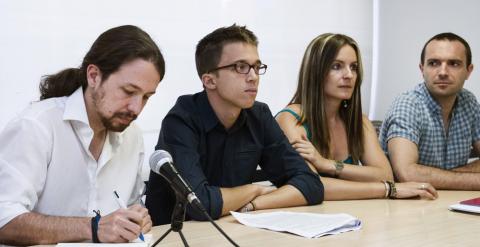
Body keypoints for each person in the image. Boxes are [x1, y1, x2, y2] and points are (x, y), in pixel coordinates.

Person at [0, 25, 165, 245]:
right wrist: (93, 227)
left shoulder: (132, 135)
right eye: (128, 91)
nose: (136, 108)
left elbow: (130, 205)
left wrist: (137, 219)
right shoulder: (36, 126)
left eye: (146, 97)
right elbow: (4, 219)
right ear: (94, 75)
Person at [146, 24, 324, 225]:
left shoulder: (259, 115)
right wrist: (254, 189)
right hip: (176, 235)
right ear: (210, 80)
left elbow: (311, 185)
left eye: (257, 67)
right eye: (241, 67)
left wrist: (254, 204)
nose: (253, 77)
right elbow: (199, 204)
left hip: (232, 228)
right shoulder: (180, 120)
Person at [276, 33, 437, 200]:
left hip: (351, 213)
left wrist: (328, 164)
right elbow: (313, 186)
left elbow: (385, 174)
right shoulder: (291, 119)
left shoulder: (360, 122)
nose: (349, 75)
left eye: (353, 67)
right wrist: (388, 190)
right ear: (315, 72)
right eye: (336, 66)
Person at [380, 32, 480, 190]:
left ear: (469, 70)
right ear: (422, 68)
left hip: (449, 201)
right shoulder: (408, 104)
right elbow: (406, 174)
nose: (443, 72)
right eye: (434, 63)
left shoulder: (469, 102)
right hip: (406, 207)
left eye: (454, 63)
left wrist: (445, 176)